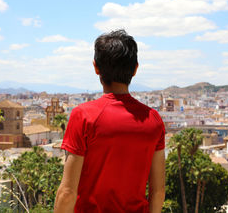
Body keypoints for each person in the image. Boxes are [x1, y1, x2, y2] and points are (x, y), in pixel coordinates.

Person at [54, 29, 165, 213]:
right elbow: (158, 191)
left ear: (96, 67)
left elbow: (67, 192)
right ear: (135, 69)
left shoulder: (83, 116)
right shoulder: (153, 120)